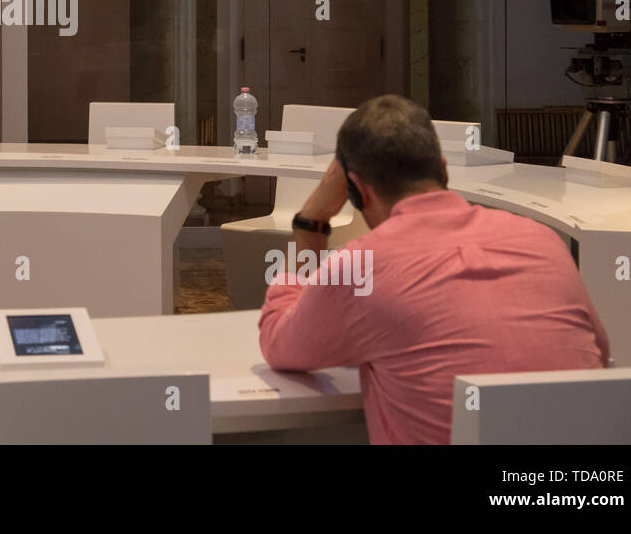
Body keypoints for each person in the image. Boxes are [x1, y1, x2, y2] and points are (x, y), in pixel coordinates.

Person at [258, 94, 609, 445]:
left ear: (357, 190)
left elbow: (280, 344)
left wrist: (310, 223)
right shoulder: (541, 241)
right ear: (443, 169)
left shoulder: (362, 266)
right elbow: (600, 351)